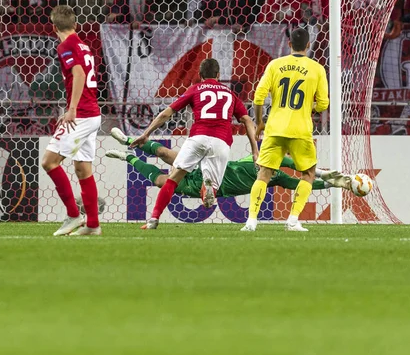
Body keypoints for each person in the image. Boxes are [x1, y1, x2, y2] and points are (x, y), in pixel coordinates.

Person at [130, 58, 259, 230]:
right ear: (218, 75)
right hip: (221, 142)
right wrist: (255, 149)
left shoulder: (196, 89)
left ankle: (153, 219)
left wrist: (146, 133)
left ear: (199, 75)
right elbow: (248, 120)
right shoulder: (230, 93)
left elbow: (166, 113)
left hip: (198, 138)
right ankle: (209, 189)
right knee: (214, 186)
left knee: (173, 179)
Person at [242, 27, 329, 232]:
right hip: (300, 130)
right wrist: (310, 106)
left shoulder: (275, 65)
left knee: (263, 174)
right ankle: (292, 220)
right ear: (309, 45)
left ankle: (251, 221)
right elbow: (324, 104)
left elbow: (258, 97)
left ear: (289, 44)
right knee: (308, 174)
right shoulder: (317, 69)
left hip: (275, 128)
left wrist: (259, 121)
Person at [106, 127, 353, 199]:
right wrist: (323, 173)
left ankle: (127, 157)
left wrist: (334, 184)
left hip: (213, 189)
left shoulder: (276, 175)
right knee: (167, 154)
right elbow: (300, 167)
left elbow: (303, 182)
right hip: (210, 168)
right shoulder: (263, 157)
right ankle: (129, 140)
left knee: (162, 180)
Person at [41, 5, 102, 236]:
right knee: (82, 169)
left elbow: (79, 74)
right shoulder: (83, 44)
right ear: (75, 25)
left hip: (83, 114)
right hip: (93, 113)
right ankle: (93, 225)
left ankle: (74, 215)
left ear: (54, 27)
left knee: (49, 162)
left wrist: (72, 109)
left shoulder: (65, 46)